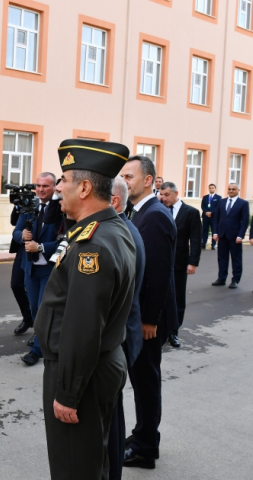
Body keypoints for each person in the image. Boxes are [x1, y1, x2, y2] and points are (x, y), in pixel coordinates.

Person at [35, 139, 136, 479]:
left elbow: (82, 325)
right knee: (92, 461)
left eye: (64, 180)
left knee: (74, 467)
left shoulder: (93, 244)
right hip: (96, 366)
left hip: (80, 373)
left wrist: (68, 392)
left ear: (85, 187)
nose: (59, 188)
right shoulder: (112, 229)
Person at [120, 155, 177, 470]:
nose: (125, 181)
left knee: (145, 381)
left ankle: (145, 448)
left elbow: (157, 274)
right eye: (124, 176)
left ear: (148, 180)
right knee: (142, 380)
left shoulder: (154, 215)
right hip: (143, 316)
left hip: (147, 321)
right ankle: (142, 434)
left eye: (130, 176)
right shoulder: (141, 212)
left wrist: (149, 320)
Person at [107, 175, 145, 480]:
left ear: (114, 201)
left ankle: (110, 471)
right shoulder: (124, 229)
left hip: (117, 339)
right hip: (121, 336)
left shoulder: (121, 234)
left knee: (110, 416)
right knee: (112, 412)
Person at [12, 173, 60, 366]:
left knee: (42, 309)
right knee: (33, 308)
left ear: (54, 187)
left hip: (49, 269)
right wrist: (21, 235)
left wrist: (40, 247)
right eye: (38, 186)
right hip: (30, 268)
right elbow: (16, 231)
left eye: (45, 186)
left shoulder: (60, 209)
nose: (40, 189)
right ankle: (41, 335)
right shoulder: (29, 207)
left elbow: (62, 241)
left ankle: (37, 351)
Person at [160, 182, 202, 348]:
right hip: (161, 262)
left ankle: (174, 332)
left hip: (180, 263)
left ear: (176, 193)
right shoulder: (159, 210)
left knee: (177, 298)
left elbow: (196, 239)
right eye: (162, 195)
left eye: (167, 195)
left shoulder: (190, 212)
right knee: (160, 296)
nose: (163, 198)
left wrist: (193, 262)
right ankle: (160, 330)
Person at [212, 183, 249, 289]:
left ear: (238, 190)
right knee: (222, 258)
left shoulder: (243, 203)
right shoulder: (221, 202)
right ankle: (221, 278)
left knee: (236, 259)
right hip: (222, 235)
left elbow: (245, 221)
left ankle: (235, 280)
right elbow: (216, 219)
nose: (231, 190)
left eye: (233, 189)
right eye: (229, 189)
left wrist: (240, 235)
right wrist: (215, 232)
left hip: (235, 236)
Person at [9, 201, 33, 335]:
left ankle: (39, 334)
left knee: (37, 290)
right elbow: (15, 225)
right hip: (24, 248)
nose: (41, 189)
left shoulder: (53, 205)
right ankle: (28, 318)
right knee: (16, 284)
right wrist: (18, 206)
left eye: (44, 186)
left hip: (42, 249)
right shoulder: (26, 205)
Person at [201, 184, 221, 249]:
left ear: (215, 189)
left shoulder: (218, 197)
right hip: (205, 216)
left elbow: (218, 207)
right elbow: (202, 206)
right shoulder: (205, 197)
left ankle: (213, 244)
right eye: (210, 188)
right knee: (205, 230)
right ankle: (203, 243)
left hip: (214, 217)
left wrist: (211, 212)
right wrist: (206, 212)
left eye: (212, 188)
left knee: (214, 230)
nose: (211, 189)